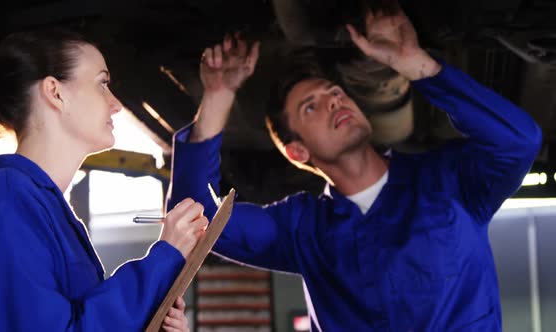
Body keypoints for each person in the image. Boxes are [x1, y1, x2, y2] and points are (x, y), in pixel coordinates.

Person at [167, 5, 543, 332]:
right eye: (311, 107)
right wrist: (218, 95)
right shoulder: (302, 229)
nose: (334, 102)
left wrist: (418, 64)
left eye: (335, 93)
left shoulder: (446, 180)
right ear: (297, 152)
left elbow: (517, 142)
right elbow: (194, 220)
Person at [0, 28, 209, 331]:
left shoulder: (40, 208)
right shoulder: (3, 202)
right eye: (102, 83)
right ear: (55, 92)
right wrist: (162, 261)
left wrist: (149, 319)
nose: (116, 104)